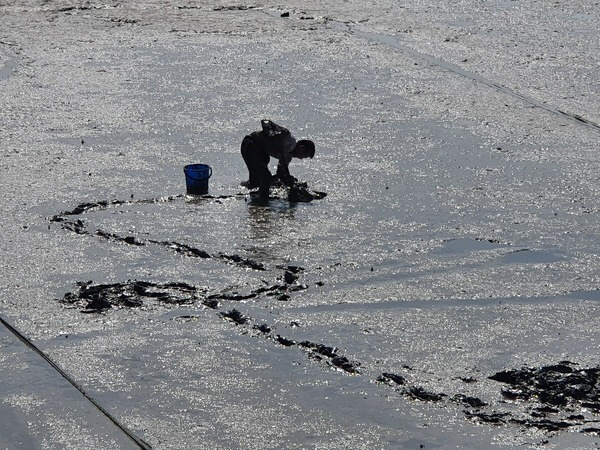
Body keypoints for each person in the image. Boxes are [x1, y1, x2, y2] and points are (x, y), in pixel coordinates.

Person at [241, 120, 315, 198]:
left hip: (262, 153)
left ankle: (251, 195)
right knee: (265, 177)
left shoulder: (287, 157)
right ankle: (263, 202)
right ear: (302, 148)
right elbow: (265, 122)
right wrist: (271, 134)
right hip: (250, 144)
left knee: (256, 182)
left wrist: (291, 184)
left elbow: (281, 173)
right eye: (304, 156)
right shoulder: (286, 136)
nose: (301, 158)